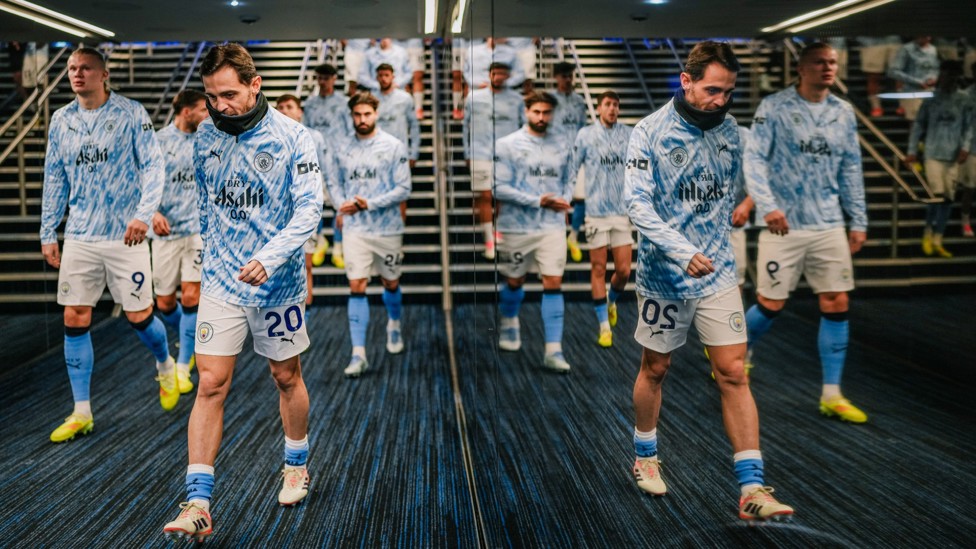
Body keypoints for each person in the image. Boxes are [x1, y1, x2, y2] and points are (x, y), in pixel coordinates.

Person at [625, 40, 793, 521]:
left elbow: (748, 175)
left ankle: (752, 489)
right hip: (664, 277)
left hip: (717, 271)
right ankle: (645, 455)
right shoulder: (649, 132)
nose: (721, 101)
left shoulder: (731, 131)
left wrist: (751, 199)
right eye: (712, 91)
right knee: (655, 369)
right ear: (687, 80)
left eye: (728, 93)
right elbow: (638, 206)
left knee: (734, 372)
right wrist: (681, 251)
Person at [162, 44, 323, 542]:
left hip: (278, 284)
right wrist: (215, 255)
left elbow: (309, 210)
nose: (220, 105)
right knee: (210, 383)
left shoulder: (295, 137)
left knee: (284, 375)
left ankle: (295, 463)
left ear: (255, 86)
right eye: (212, 96)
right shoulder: (205, 134)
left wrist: (269, 258)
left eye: (229, 94)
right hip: (222, 281)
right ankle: (198, 502)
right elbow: (210, 203)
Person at [41, 47, 173, 443]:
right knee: (74, 317)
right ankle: (82, 410)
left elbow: (153, 167)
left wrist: (144, 214)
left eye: (85, 69)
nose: (77, 75)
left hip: (125, 235)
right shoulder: (61, 121)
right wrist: (49, 230)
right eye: (71, 69)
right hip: (80, 235)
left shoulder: (131, 113)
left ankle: (165, 365)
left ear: (104, 74)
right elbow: (54, 177)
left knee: (139, 316)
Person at [744, 42, 869, 424]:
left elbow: (851, 168)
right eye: (820, 62)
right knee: (771, 304)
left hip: (829, 223)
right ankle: (737, 353)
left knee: (836, 302)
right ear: (801, 68)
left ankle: (832, 394)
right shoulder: (774, 107)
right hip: (784, 226)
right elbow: (754, 160)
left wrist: (858, 219)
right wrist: (768, 207)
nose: (828, 68)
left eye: (832, 62)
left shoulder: (843, 112)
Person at [325, 92, 411, 378]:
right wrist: (341, 205)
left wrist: (369, 203)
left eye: (367, 114)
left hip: (387, 228)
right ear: (352, 115)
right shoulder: (342, 147)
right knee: (357, 285)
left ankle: (395, 323)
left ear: (376, 113)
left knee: (390, 282)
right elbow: (333, 182)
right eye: (357, 115)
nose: (362, 120)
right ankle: (358, 353)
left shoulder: (393, 145)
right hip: (356, 230)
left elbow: (404, 189)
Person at [494, 91, 574, 373]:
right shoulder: (507, 145)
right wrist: (538, 200)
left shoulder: (563, 144)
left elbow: (569, 179)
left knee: (553, 281)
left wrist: (564, 202)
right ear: (526, 111)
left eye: (546, 112)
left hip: (551, 226)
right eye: (536, 112)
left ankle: (554, 349)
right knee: (515, 280)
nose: (542, 117)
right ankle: (509, 321)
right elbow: (498, 187)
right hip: (516, 226)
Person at [151, 89, 210, 395]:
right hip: (165, 234)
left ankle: (184, 364)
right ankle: (192, 334)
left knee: (191, 296)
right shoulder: (158, 141)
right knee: (165, 303)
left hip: (197, 231)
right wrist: (152, 213)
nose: (208, 114)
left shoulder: (209, 139)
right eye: (203, 109)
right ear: (187, 112)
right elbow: (141, 185)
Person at [570, 90, 633, 348]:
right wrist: (566, 197)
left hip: (620, 212)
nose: (612, 109)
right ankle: (603, 327)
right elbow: (573, 167)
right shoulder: (585, 135)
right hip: (595, 212)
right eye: (608, 104)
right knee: (598, 269)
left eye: (616, 105)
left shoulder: (629, 134)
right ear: (598, 109)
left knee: (624, 270)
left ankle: (611, 301)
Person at [905, 60, 971, 257]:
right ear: (941, 75)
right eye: (947, 74)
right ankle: (927, 232)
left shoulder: (964, 98)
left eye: (954, 75)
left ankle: (938, 238)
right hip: (933, 153)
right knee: (936, 195)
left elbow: (969, 125)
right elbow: (918, 126)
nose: (950, 78)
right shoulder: (930, 98)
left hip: (953, 156)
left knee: (948, 199)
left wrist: (966, 147)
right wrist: (912, 150)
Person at [462, 62, 525, 260]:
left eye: (503, 74)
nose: (498, 77)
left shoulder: (516, 100)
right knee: (484, 196)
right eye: (495, 73)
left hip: (507, 156)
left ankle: (498, 231)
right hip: (479, 153)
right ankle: (489, 239)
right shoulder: (473, 97)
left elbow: (524, 128)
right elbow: (465, 127)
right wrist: (467, 152)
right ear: (489, 74)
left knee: (502, 197)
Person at [276, 93, 330, 304]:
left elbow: (323, 169)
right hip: (278, 212)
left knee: (306, 265)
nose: (284, 110)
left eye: (289, 106)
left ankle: (304, 322)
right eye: (280, 107)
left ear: (300, 112)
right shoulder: (269, 137)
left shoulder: (314, 137)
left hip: (304, 210)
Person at [302, 63, 350, 269]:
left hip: (338, 159)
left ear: (334, 79)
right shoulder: (310, 104)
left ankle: (339, 245)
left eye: (326, 78)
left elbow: (350, 131)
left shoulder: (344, 103)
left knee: (340, 204)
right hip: (317, 160)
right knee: (317, 203)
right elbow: (305, 130)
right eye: (319, 78)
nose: (322, 82)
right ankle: (320, 240)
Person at [550, 61, 591, 263]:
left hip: (577, 154)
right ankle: (556, 240)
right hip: (555, 157)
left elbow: (583, 128)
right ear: (556, 77)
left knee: (582, 197)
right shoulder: (549, 100)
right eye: (563, 76)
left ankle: (573, 236)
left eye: (570, 76)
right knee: (558, 201)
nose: (567, 79)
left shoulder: (579, 101)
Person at [889, 36, 940, 121]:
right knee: (915, 122)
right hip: (913, 91)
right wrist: (916, 81)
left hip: (931, 91)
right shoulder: (906, 49)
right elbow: (893, 71)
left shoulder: (933, 49)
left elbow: (935, 68)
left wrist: (935, 78)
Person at [857, 36, 903, 117]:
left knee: (899, 75)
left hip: (894, 39)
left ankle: (903, 105)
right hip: (870, 40)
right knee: (873, 76)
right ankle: (876, 107)